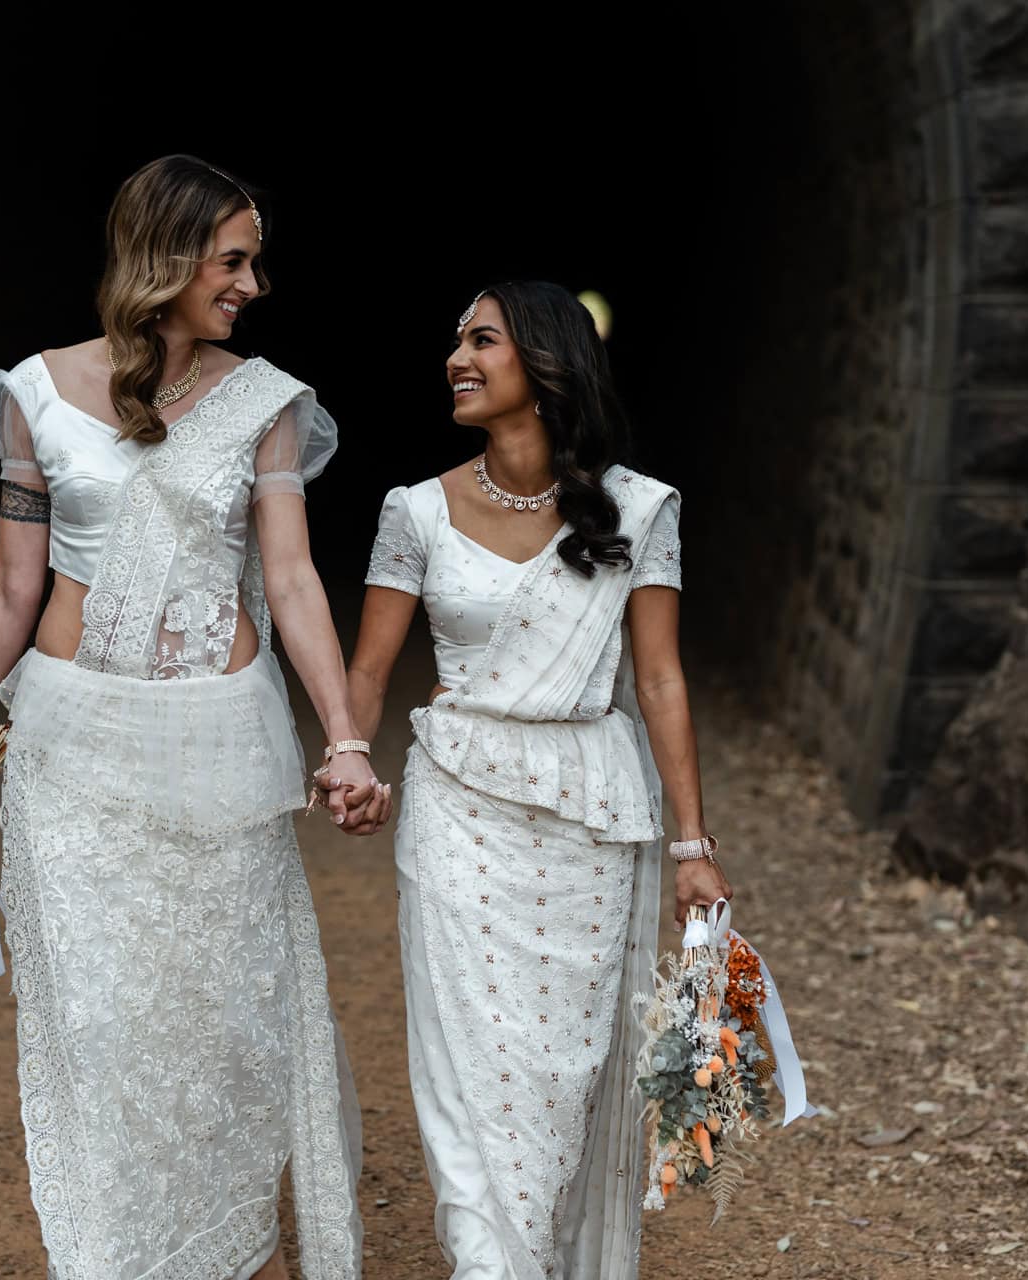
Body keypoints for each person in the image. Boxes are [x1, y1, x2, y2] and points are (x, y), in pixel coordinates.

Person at [0, 155, 371, 1280]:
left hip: (220, 750)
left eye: (254, 260)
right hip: (75, 753)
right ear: (165, 259)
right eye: (233, 259)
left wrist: (347, 733)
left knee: (221, 1034)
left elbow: (295, 580)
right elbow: (11, 589)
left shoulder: (266, 403)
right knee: (107, 1028)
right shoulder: (30, 393)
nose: (252, 283)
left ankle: (223, 1246)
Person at [337, 281, 729, 1278]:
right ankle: (486, 1261)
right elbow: (372, 668)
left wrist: (692, 847)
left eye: (482, 339)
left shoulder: (640, 509)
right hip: (457, 801)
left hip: (590, 813)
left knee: (562, 1081)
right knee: (468, 1068)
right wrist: (349, 753)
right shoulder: (414, 511)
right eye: (456, 341)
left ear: (547, 364)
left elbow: (659, 678)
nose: (456, 358)